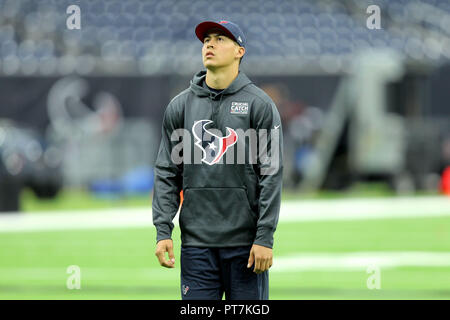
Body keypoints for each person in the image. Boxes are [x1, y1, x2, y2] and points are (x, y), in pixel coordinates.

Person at [152, 20, 283, 300]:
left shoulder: (259, 105)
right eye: (206, 39)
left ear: (240, 51)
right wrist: (163, 230)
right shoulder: (180, 106)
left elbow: (271, 175)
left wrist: (264, 237)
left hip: (245, 247)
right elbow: (167, 172)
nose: (209, 44)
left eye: (221, 39)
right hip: (197, 247)